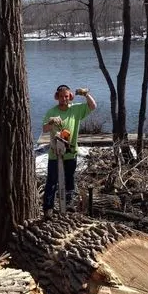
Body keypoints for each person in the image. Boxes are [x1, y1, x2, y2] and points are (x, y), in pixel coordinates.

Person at [42, 83, 97, 215]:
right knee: (52, 181)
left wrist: (86, 94)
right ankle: (48, 209)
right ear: (57, 97)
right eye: (61, 96)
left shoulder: (76, 110)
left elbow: (93, 106)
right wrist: (51, 122)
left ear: (70, 96)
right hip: (55, 154)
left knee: (69, 180)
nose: (64, 99)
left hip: (70, 153)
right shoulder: (52, 111)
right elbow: (44, 129)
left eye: (66, 96)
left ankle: (68, 206)